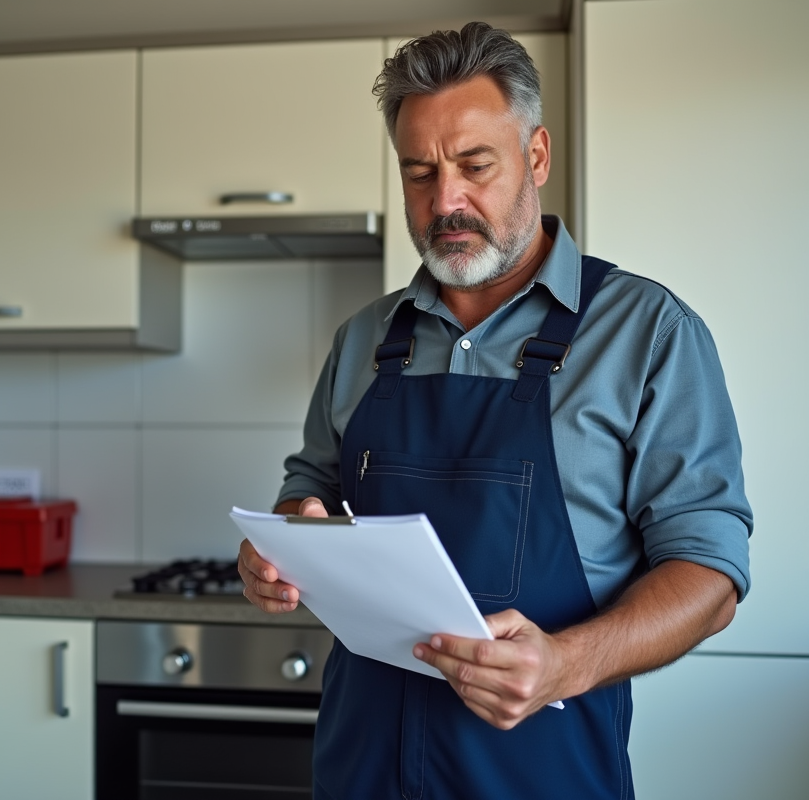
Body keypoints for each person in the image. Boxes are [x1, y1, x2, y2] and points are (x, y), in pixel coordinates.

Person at [238, 21, 752, 800]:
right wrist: (281, 547)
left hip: (542, 776)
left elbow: (710, 575)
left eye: (475, 166)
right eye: (419, 173)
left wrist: (565, 665)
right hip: (359, 770)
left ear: (536, 155)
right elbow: (310, 486)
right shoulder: (364, 339)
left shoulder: (648, 333)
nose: (445, 201)